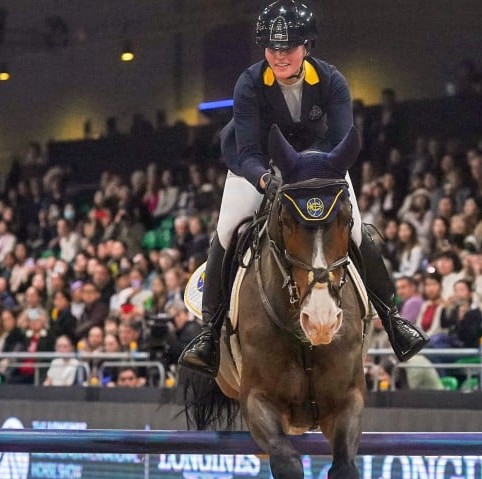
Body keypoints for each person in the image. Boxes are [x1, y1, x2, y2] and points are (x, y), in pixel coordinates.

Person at [180, 0, 426, 376]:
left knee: (359, 232)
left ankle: (394, 323)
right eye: (273, 48)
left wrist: (310, 171)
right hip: (259, 168)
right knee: (227, 232)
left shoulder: (331, 80)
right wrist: (267, 179)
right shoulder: (249, 83)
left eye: (288, 48)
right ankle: (210, 334)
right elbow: (246, 151)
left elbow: (343, 141)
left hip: (319, 168)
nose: (279, 57)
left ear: (306, 47)